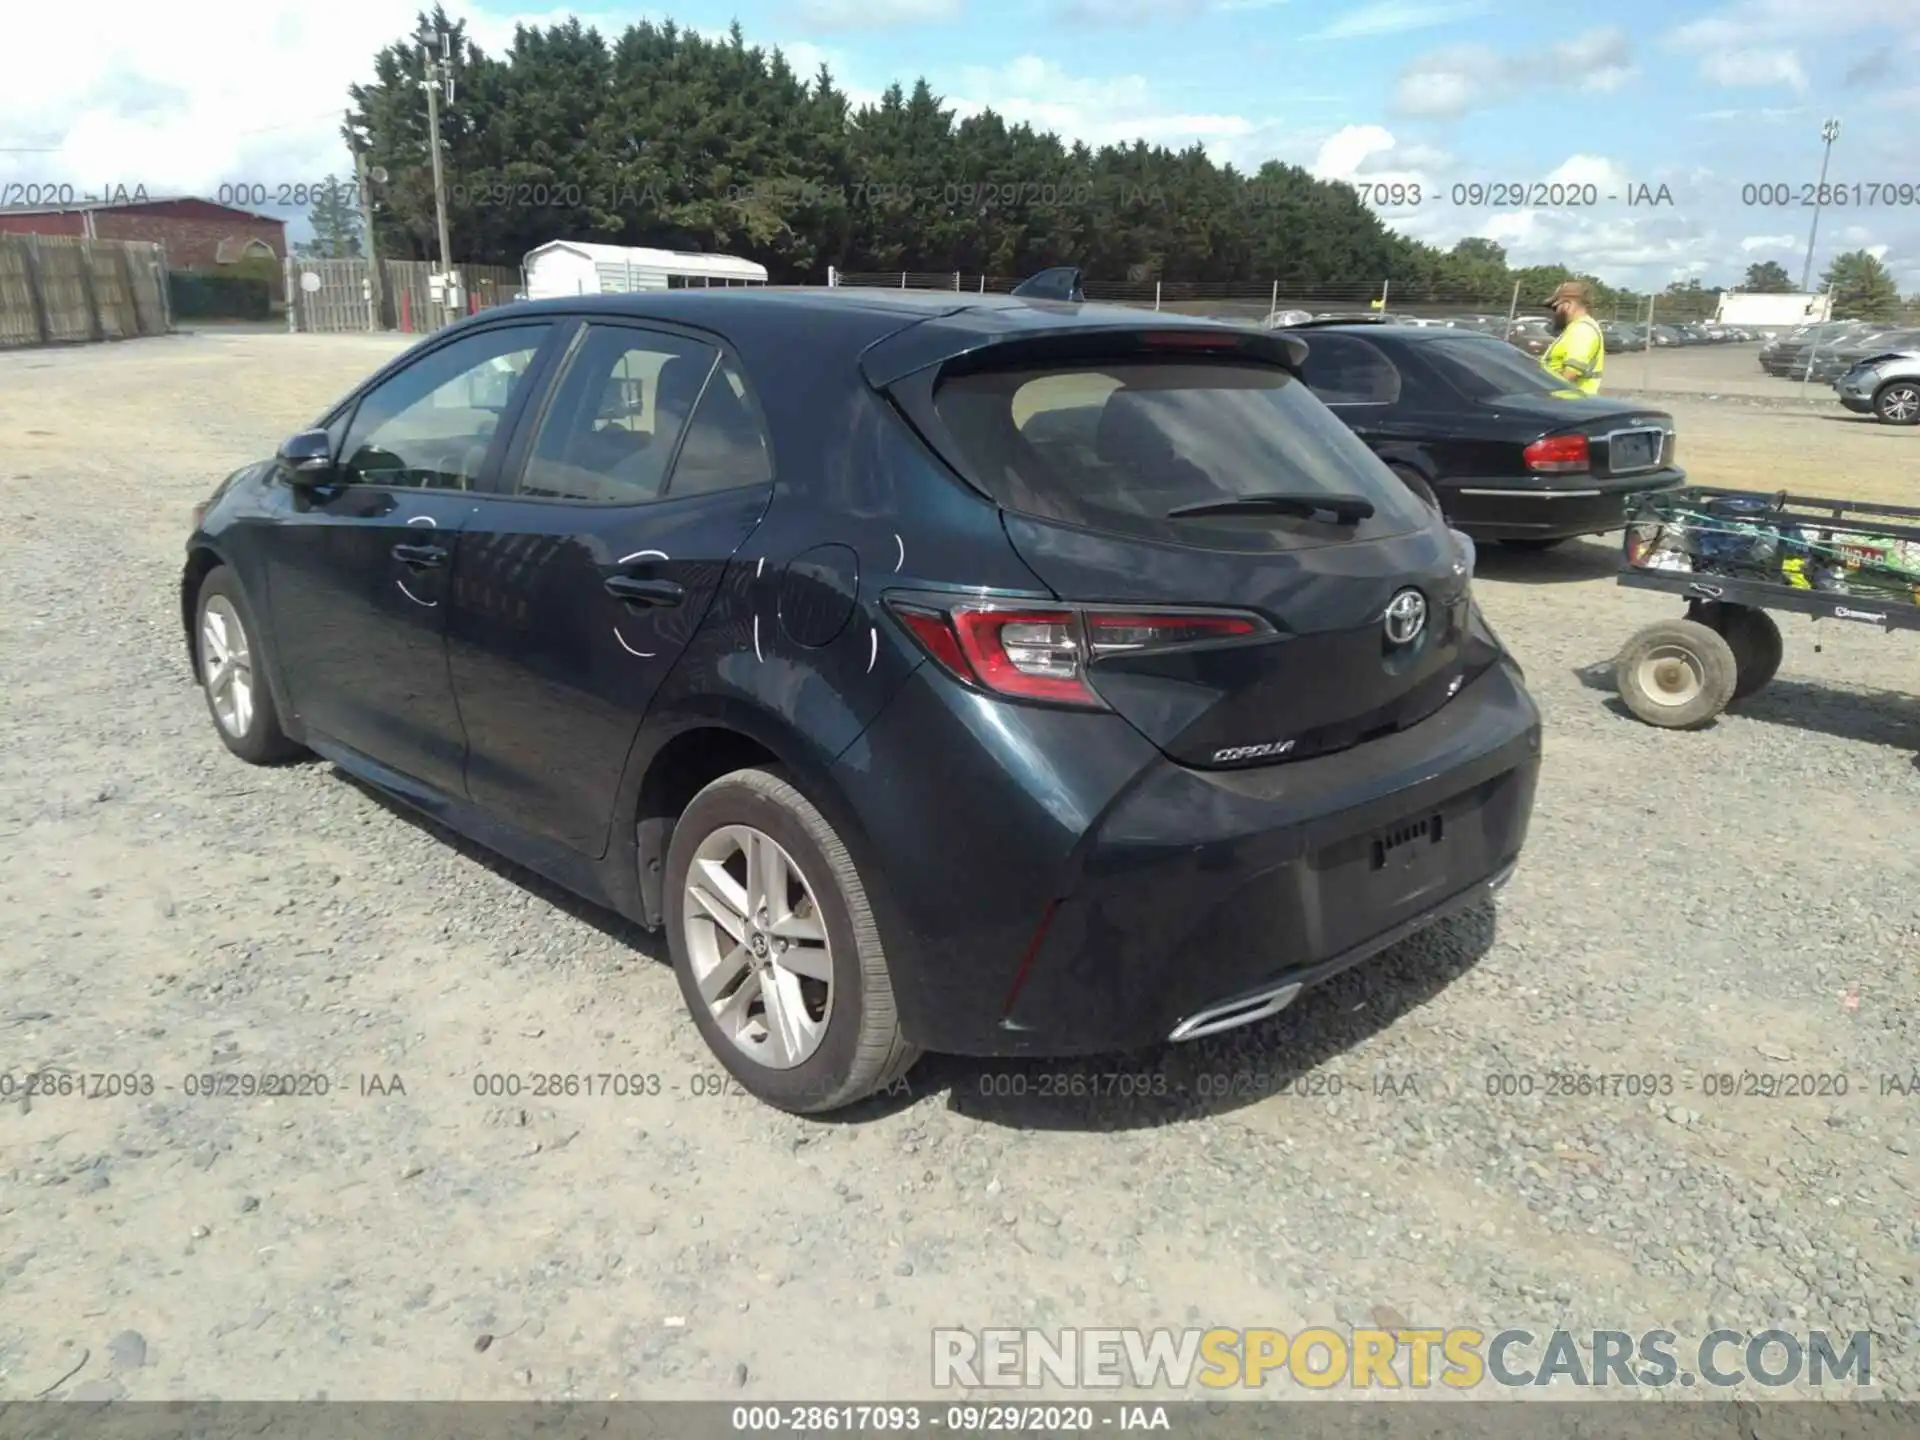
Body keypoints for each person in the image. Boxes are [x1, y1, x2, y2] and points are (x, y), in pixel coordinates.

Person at [1540, 280, 1605, 395]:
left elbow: (1570, 374)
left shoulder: (1582, 330)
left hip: (1569, 403)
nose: (1553, 313)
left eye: (1555, 308)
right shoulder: (1576, 327)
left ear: (1567, 305)